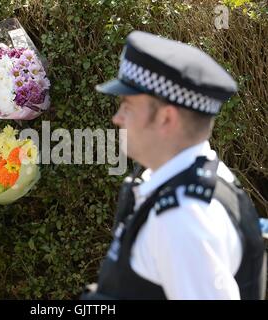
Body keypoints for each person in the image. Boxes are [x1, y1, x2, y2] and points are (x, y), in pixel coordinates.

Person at [81, 31, 266, 300]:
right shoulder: (194, 180)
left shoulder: (182, 219)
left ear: (167, 118)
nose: (117, 118)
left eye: (127, 105)